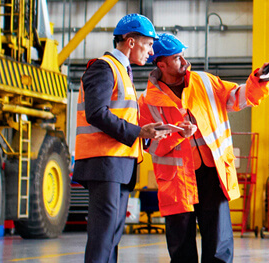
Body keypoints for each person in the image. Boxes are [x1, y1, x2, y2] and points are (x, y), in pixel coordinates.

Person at [138, 33, 269, 263]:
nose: (185, 61)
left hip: (212, 173)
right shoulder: (147, 102)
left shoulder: (204, 82)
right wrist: (177, 135)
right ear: (161, 64)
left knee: (219, 244)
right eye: (177, 57)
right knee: (181, 247)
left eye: (183, 55)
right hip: (177, 181)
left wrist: (258, 79)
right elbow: (148, 144)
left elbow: (238, 97)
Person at [73, 14, 169, 263]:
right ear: (130, 42)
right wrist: (138, 131)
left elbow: (120, 116)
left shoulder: (123, 73)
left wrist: (147, 132)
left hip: (120, 165)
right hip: (104, 163)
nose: (151, 51)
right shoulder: (103, 67)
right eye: (148, 44)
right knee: (103, 235)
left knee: (112, 236)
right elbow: (96, 113)